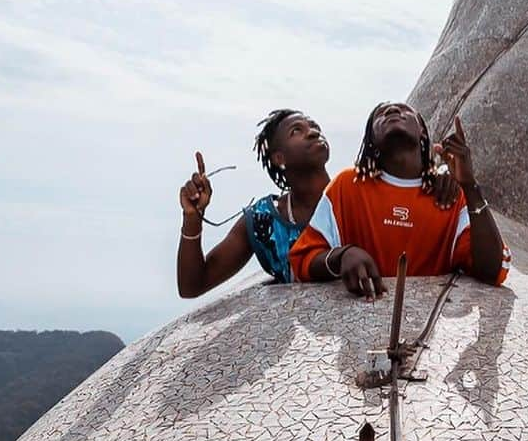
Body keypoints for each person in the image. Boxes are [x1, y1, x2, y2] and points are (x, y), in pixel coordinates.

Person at [289, 102, 510, 298]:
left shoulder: (450, 195)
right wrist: (341, 256)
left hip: (425, 337)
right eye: (381, 113)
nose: (393, 110)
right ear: (371, 139)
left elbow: (492, 270)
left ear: (423, 132)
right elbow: (302, 260)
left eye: (405, 110)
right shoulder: (347, 186)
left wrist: (469, 185)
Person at [176, 110, 331, 296]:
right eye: (296, 131)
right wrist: (192, 218)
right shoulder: (264, 220)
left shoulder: (354, 195)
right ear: (279, 158)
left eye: (315, 127)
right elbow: (191, 286)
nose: (313, 132)